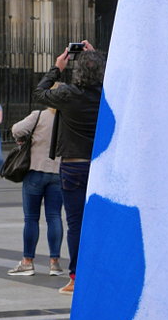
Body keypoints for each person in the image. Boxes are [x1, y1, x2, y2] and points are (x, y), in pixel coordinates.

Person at [33, 40, 106, 295]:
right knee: (100, 222)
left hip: (73, 167)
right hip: (101, 167)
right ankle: (100, 273)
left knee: (76, 223)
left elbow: (39, 93)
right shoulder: (108, 94)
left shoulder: (68, 94)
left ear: (78, 71)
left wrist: (57, 68)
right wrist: (95, 56)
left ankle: (76, 277)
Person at [6, 105, 64, 277]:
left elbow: (16, 129)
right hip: (58, 172)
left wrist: (23, 138)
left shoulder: (39, 115)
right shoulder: (68, 117)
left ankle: (27, 262)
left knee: (31, 218)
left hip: (35, 171)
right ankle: (55, 263)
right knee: (54, 217)